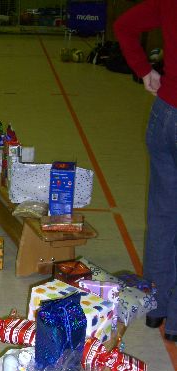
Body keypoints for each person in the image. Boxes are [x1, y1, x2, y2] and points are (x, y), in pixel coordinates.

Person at [114, 0, 177, 342]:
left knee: (163, 215)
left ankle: (156, 306)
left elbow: (124, 26)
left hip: (165, 113)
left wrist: (144, 69)